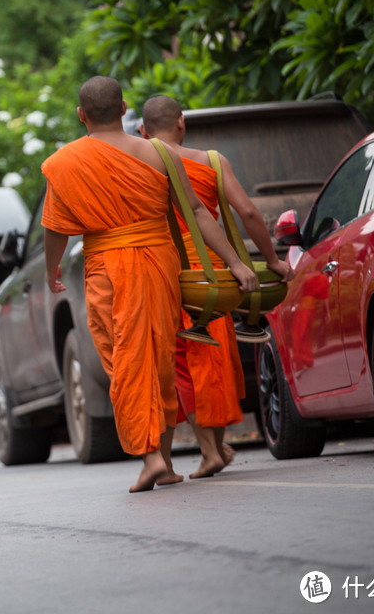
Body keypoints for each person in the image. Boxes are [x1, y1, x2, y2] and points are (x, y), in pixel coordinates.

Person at [41, 76, 257, 493]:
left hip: (105, 266)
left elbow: (55, 228)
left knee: (124, 359)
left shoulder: (65, 161)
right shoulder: (159, 153)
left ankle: (152, 457)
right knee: (157, 355)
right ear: (125, 109)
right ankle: (163, 460)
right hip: (159, 264)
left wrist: (52, 271)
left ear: (81, 115)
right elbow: (196, 211)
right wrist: (234, 262)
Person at [140, 94, 293, 479]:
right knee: (211, 363)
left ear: (143, 132)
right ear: (181, 124)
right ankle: (211, 450)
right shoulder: (211, 161)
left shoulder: (139, 164)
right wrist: (270, 260)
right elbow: (247, 212)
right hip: (210, 276)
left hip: (164, 273)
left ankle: (204, 452)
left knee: (177, 368)